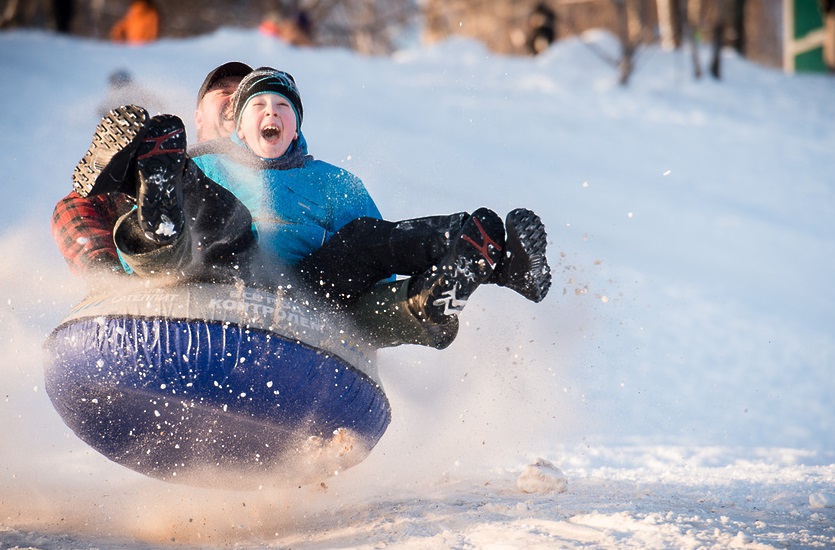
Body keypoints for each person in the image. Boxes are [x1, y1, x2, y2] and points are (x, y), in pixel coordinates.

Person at [56, 67, 551, 348]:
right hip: (220, 272)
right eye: (254, 107)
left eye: (283, 108)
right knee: (224, 221)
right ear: (235, 125)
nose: (270, 114)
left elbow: (374, 260)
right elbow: (94, 234)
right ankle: (157, 190)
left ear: (297, 125)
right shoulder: (212, 165)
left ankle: (473, 250)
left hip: (305, 289)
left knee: (360, 242)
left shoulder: (334, 182)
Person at [52, 61, 252, 278]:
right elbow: (74, 208)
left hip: (241, 272)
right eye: (224, 91)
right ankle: (138, 189)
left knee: (198, 193)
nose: (235, 98)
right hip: (158, 276)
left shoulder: (278, 173)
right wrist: (104, 271)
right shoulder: (160, 167)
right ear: (199, 118)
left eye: (248, 97)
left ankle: (155, 191)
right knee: (152, 185)